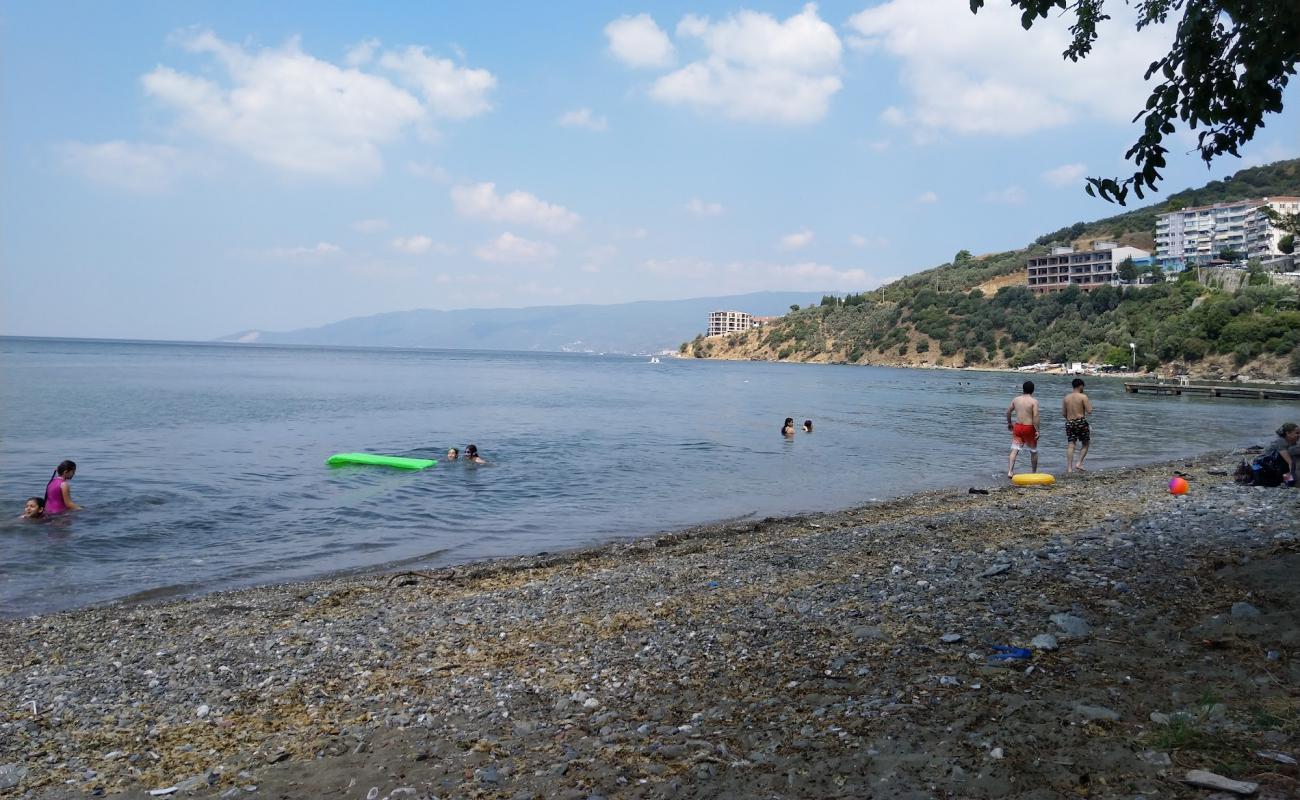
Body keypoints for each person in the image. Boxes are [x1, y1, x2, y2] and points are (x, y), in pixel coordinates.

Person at [1006, 381, 1040, 478]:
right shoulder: (1034, 401)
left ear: (1023, 389)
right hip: (1029, 427)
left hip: (1018, 427)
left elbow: (1008, 412)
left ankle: (1010, 471)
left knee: (1014, 449)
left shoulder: (1016, 399)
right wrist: (1037, 430)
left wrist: (1009, 423)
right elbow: (1036, 415)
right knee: (1033, 451)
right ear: (1032, 390)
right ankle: (1033, 473)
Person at [1063, 378, 1094, 473]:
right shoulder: (1083, 397)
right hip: (1080, 422)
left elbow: (1064, 413)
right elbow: (1089, 411)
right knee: (1086, 443)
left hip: (1069, 423)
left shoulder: (1066, 398)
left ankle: (1069, 468)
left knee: (1071, 444)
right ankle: (1079, 463)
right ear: (1081, 386)